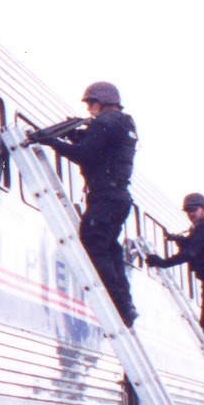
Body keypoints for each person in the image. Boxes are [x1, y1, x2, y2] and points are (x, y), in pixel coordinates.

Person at [36, 82, 138, 325]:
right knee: (111, 249)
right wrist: (75, 134)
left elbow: (85, 154)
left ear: (101, 101)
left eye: (91, 103)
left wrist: (52, 142)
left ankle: (118, 305)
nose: (90, 109)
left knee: (93, 245)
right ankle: (126, 305)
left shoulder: (104, 122)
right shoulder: (125, 124)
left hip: (104, 197)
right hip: (119, 198)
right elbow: (102, 148)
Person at [147, 193, 204, 380]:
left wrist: (162, 262)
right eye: (188, 211)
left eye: (194, 210)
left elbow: (192, 252)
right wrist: (178, 240)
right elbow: (199, 246)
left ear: (203, 208)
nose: (190, 214)